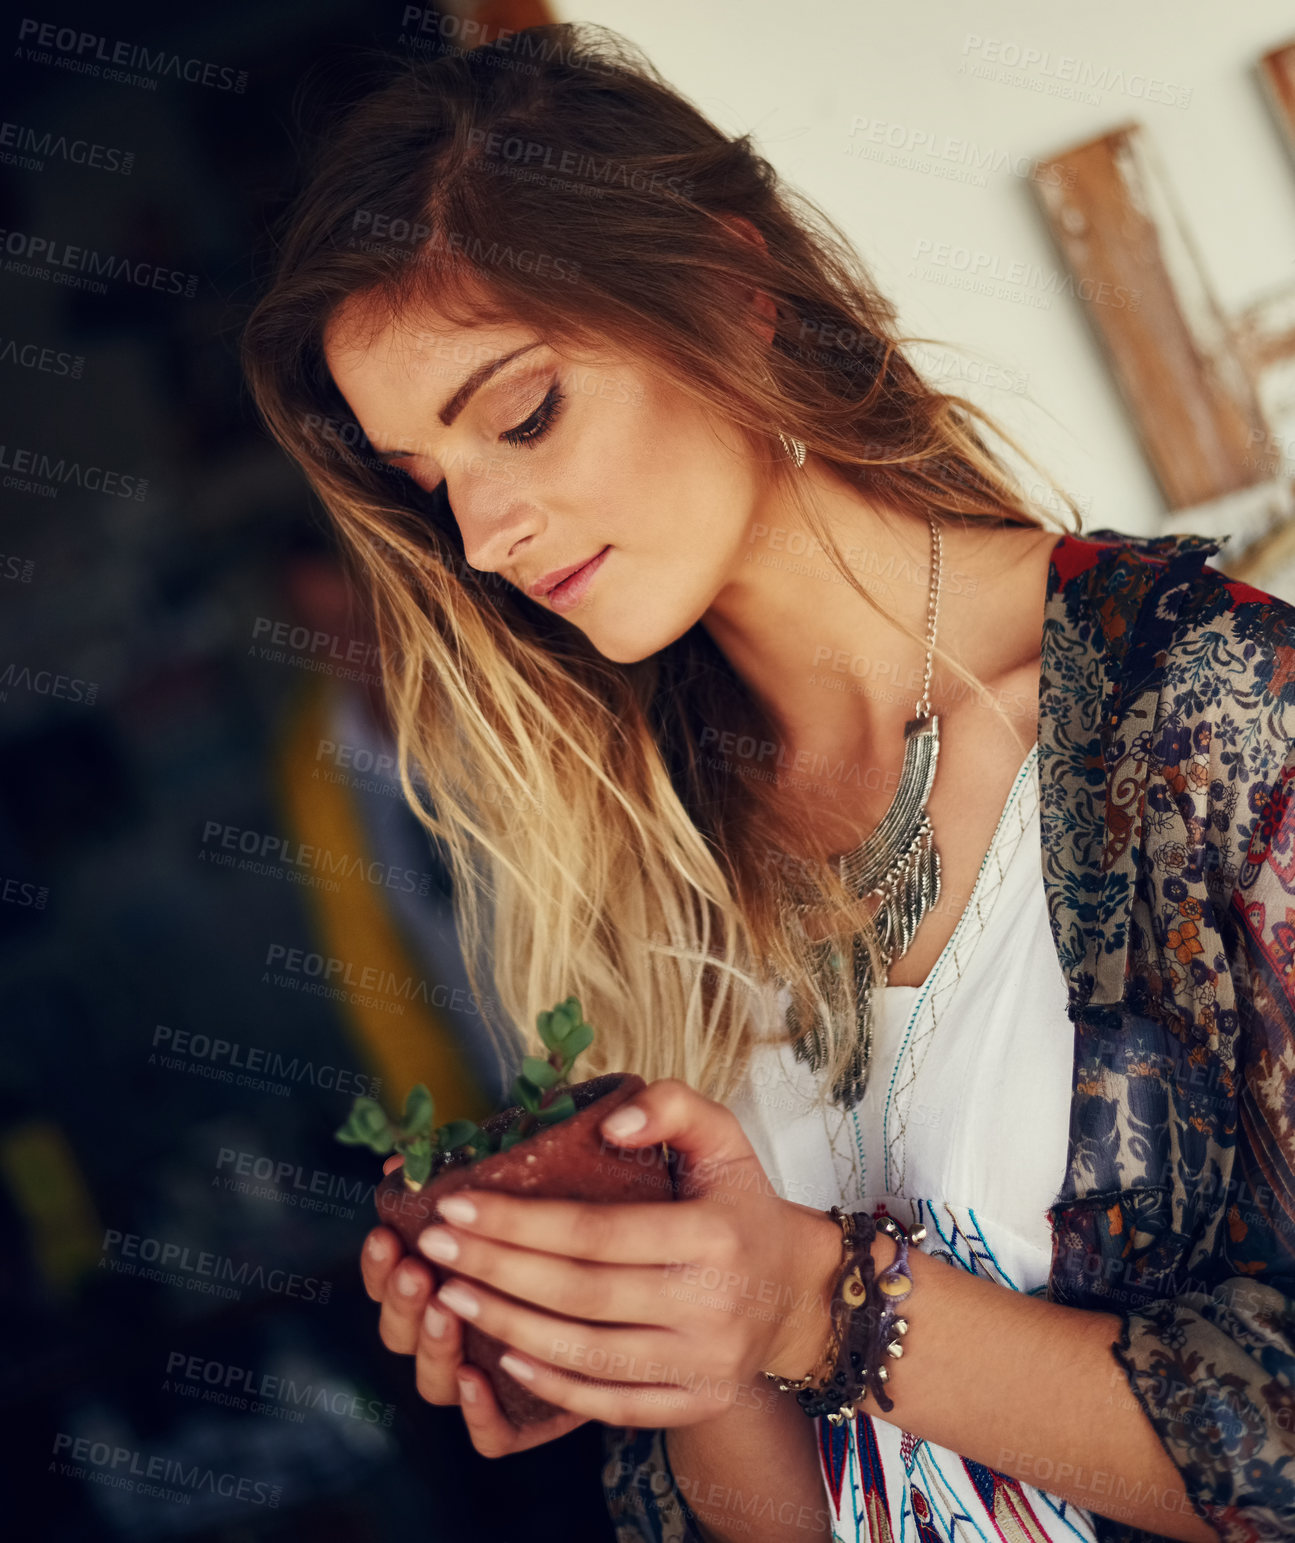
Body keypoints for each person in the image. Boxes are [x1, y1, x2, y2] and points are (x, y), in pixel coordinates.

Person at [240, 21, 1295, 1543]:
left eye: (524, 416)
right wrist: (656, 1331)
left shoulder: (1211, 725)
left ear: (733, 283)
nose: (483, 537)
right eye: (433, 485)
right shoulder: (634, 857)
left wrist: (819, 1302)